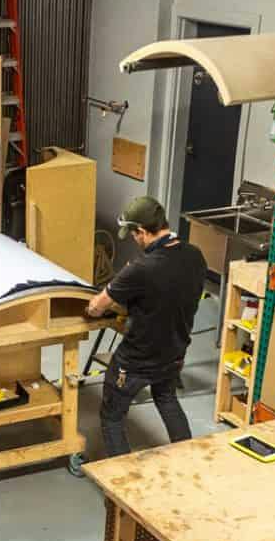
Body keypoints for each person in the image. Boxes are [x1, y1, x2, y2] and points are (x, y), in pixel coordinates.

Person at [85, 195, 206, 457]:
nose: (133, 239)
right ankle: (188, 459)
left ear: (141, 231)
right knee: (166, 398)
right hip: (174, 353)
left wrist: (102, 299)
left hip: (136, 360)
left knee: (112, 416)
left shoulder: (140, 268)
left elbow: (97, 307)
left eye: (132, 234)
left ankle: (122, 487)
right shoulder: (195, 256)